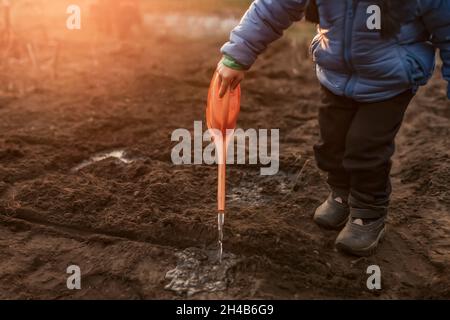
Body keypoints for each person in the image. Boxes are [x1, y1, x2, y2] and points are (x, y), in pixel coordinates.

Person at [216, 0, 450, 256]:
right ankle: (341, 194)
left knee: (365, 147)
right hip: (335, 78)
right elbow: (271, 9)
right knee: (332, 143)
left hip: (389, 83)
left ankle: (368, 213)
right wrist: (237, 56)